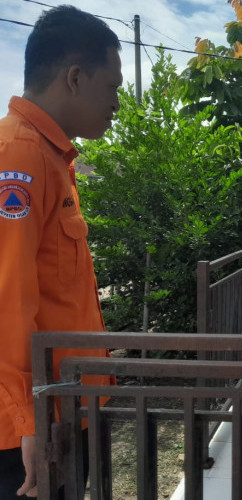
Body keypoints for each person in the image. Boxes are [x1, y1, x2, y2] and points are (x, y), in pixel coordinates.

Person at [0, 5, 122, 498]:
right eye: (112, 87)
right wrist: (30, 420)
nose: (117, 103)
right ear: (75, 77)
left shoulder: (51, 156)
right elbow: (6, 297)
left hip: (65, 404)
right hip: (35, 425)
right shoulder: (20, 156)